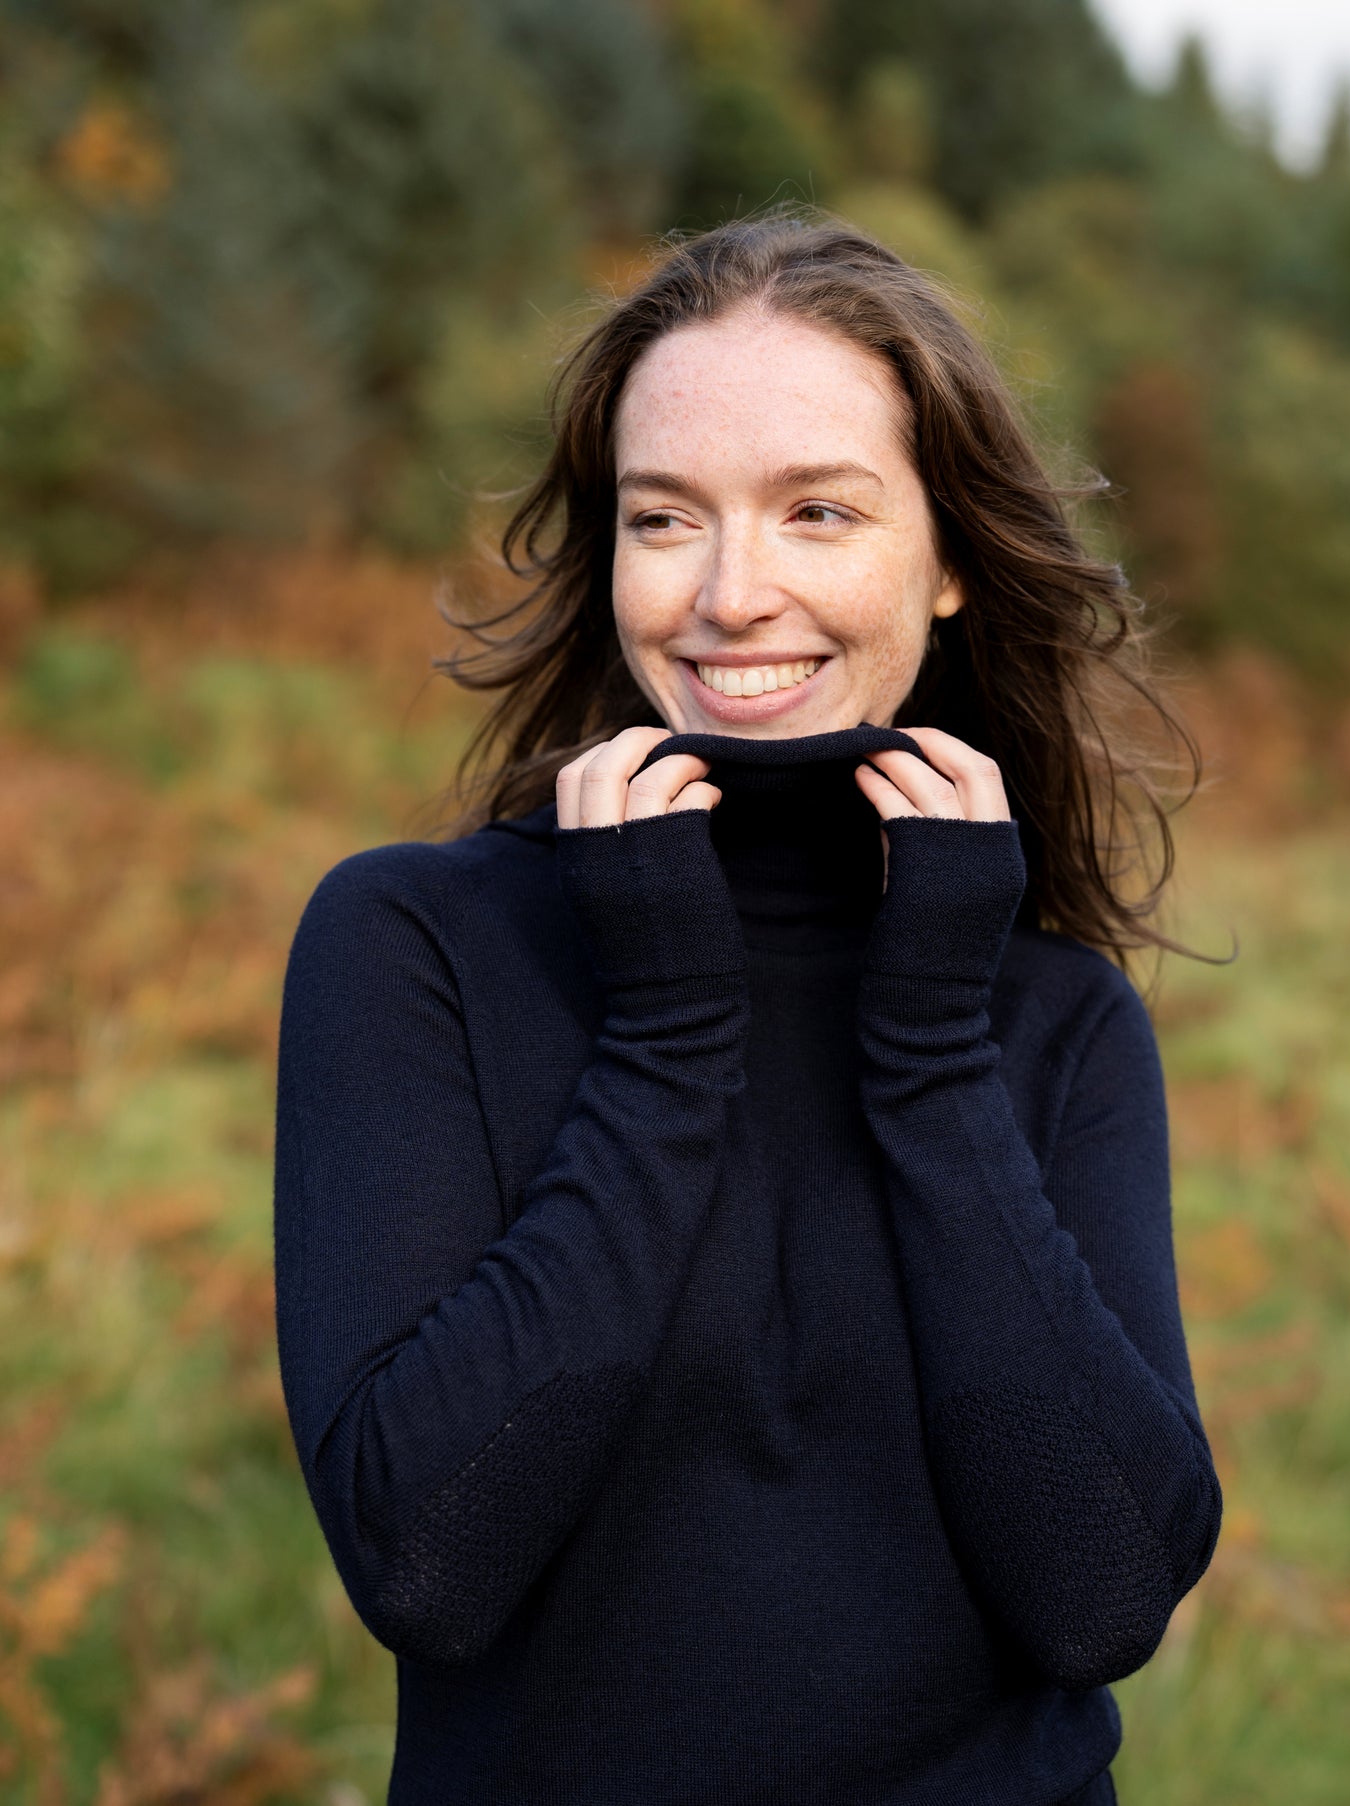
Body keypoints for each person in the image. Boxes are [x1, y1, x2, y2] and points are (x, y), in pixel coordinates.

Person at [273, 211, 1225, 1805]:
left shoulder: (1052, 1016)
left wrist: (931, 1056)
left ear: (947, 565)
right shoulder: (416, 945)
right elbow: (426, 1560)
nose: (730, 592)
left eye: (816, 511)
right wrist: (662, 1042)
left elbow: (1102, 1593)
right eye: (663, 517)